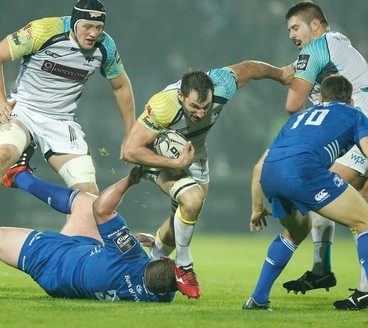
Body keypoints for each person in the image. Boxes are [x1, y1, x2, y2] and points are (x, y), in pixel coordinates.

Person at [122, 61, 294, 298]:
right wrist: (175, 164)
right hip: (157, 158)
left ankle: (154, 256)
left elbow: (250, 68)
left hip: (197, 155)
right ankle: (184, 266)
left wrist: (281, 74)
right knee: (192, 200)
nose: (201, 113)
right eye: (194, 106)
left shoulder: (222, 84)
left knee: (182, 219)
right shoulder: (163, 105)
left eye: (205, 106)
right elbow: (129, 151)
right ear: (181, 95)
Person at [0, 0, 135, 236]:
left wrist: (131, 132)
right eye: (87, 26)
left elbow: (121, 86)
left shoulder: (105, 46)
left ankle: (66, 250)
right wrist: (0, 102)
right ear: (75, 22)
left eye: (98, 28)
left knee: (88, 196)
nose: (93, 33)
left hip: (61, 122)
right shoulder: (43, 30)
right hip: (23, 110)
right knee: (4, 154)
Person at [0, 157, 177, 302]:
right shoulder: (161, 295)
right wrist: (155, 249)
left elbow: (102, 210)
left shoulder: (130, 256)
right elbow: (160, 278)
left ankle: (20, 177)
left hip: (54, 262)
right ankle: (19, 175)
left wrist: (132, 179)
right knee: (85, 201)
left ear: (162, 260)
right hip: (82, 259)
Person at [242, 74, 368, 311]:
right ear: (351, 101)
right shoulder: (354, 114)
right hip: (303, 171)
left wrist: (257, 209)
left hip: (271, 175)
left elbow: (258, 168)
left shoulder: (297, 119)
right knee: (365, 220)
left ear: (319, 99)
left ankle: (258, 299)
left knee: (296, 230)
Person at [282, 1, 368, 309]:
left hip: (362, 134)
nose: (291, 34)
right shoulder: (337, 46)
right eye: (289, 29)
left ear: (315, 25)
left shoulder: (316, 50)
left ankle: (334, 274)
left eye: (296, 27)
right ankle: (326, 272)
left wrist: (288, 78)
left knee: (322, 191)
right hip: (358, 133)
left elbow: (293, 104)